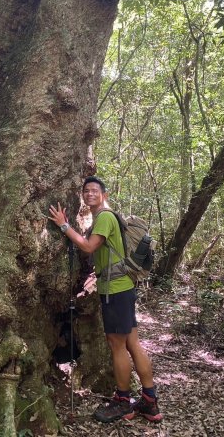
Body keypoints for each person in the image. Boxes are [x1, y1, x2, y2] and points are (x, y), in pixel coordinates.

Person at [49, 176, 163, 423]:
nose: (89, 194)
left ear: (104, 194)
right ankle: (149, 401)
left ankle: (123, 401)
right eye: (86, 190)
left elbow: (89, 247)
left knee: (117, 345)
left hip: (116, 290)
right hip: (121, 288)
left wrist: (63, 226)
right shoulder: (105, 218)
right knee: (132, 343)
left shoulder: (105, 217)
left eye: (94, 190)